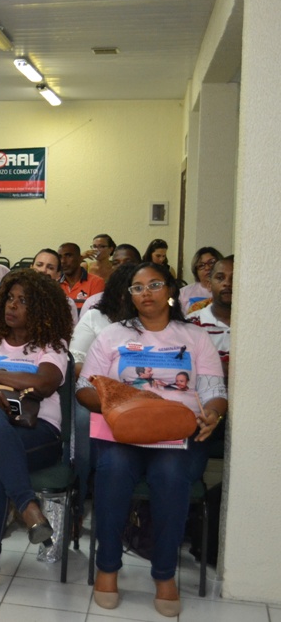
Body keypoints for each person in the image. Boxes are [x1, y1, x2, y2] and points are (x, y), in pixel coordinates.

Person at [76, 262, 226, 617]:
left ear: (170, 290)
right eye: (138, 287)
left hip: (177, 433)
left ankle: (164, 574)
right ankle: (107, 567)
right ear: (129, 295)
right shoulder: (112, 335)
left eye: (155, 284)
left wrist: (212, 414)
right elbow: (84, 388)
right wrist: (119, 404)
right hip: (123, 431)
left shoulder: (195, 337)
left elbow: (215, 391)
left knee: (171, 476)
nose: (146, 293)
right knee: (113, 471)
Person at [0, 269, 74, 599]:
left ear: (42, 309)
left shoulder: (52, 339)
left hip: (38, 432)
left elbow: (45, 382)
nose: (12, 305)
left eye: (23, 301)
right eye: (10, 298)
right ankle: (27, 505)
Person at [69, 263, 138, 376]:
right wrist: (107, 381)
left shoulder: (154, 321)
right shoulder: (95, 317)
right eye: (135, 289)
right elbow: (75, 363)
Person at [189, 255, 232, 377]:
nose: (227, 283)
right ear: (209, 284)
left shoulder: (256, 325)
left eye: (234, 278)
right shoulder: (190, 325)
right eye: (220, 278)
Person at [30, 248, 79, 324]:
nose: (43, 270)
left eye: (50, 268)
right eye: (39, 265)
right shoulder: (17, 297)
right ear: (31, 268)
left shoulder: (67, 304)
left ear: (58, 275)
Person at [58, 242, 105, 311]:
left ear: (80, 259)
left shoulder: (96, 282)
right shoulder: (55, 283)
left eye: (68, 256)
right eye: (60, 257)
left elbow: (95, 313)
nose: (63, 261)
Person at [179, 246, 223, 313]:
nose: (207, 268)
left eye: (211, 263)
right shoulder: (184, 292)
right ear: (196, 271)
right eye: (201, 265)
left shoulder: (228, 290)